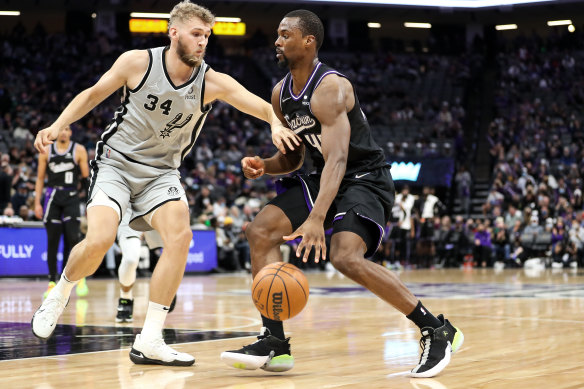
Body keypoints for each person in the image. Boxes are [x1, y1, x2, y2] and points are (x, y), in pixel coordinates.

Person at [31, 0, 297, 367]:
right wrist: (57, 124)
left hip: (161, 174)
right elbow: (92, 94)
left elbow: (261, 105)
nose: (203, 42)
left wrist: (275, 123)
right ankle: (60, 293)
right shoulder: (137, 63)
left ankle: (151, 338)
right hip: (116, 165)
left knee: (181, 237)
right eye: (196, 34)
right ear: (174, 32)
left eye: (207, 35)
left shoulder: (211, 81)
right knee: (99, 240)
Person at [221, 10, 463, 378]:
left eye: (285, 35)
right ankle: (274, 341)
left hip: (363, 177)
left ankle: (435, 328)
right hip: (321, 177)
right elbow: (295, 157)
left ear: (309, 41)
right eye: (277, 35)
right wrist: (265, 165)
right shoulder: (280, 94)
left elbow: (338, 158)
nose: (277, 41)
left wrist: (318, 217)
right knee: (260, 231)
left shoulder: (332, 88)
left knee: (345, 256)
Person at [33, 125, 90, 299]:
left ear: (71, 133)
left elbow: (86, 179)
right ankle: (52, 282)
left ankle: (77, 278)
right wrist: (37, 203)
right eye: (61, 130)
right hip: (52, 196)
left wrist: (89, 204)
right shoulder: (47, 151)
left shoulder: (79, 150)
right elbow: (41, 178)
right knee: (52, 240)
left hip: (71, 196)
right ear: (57, 133)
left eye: (67, 130)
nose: (64, 132)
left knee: (73, 239)